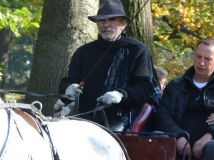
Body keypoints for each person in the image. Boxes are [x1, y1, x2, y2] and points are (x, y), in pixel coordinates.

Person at [58, 0, 156, 132]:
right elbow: (68, 81)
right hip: (82, 118)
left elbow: (146, 88)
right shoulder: (83, 52)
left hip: (119, 120)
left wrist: (121, 94)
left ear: (123, 24)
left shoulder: (137, 50)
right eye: (101, 21)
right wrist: (68, 88)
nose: (106, 25)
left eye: (111, 20)